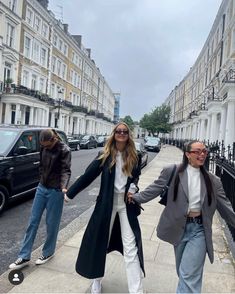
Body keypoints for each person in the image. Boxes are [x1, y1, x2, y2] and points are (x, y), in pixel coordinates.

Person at [128, 140, 235, 293]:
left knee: (188, 275)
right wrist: (135, 197)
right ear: (187, 154)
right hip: (177, 228)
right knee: (182, 271)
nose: (202, 154)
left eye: (204, 151)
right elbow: (154, 189)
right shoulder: (172, 171)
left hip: (199, 230)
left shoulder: (213, 180)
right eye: (197, 151)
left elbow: (226, 208)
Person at [64, 122, 144, 294]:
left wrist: (133, 187)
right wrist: (70, 193)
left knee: (131, 247)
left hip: (126, 206)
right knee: (101, 243)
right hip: (106, 205)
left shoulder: (134, 156)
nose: (121, 134)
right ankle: (96, 281)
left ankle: (136, 290)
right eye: (118, 131)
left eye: (124, 131)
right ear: (114, 134)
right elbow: (87, 176)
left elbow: (136, 177)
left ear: (128, 135)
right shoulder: (105, 155)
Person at [9, 129, 71, 270]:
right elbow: (42, 167)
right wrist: (41, 179)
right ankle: (24, 256)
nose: (44, 148)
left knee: (51, 223)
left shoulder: (64, 150)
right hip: (41, 188)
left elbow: (66, 170)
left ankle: (48, 252)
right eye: (42, 145)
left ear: (53, 140)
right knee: (33, 221)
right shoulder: (43, 147)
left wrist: (64, 187)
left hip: (56, 191)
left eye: (47, 145)